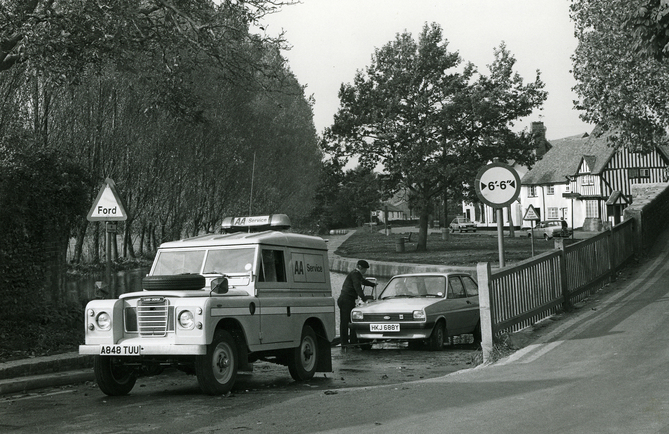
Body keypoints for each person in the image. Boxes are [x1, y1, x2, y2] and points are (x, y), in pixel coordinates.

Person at [338, 259, 376, 349]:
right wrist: (364, 299)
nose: (365, 271)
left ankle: (352, 341)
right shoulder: (355, 274)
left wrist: (373, 284)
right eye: (365, 269)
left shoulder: (356, 274)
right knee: (345, 322)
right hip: (346, 300)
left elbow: (363, 281)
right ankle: (344, 342)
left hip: (348, 300)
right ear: (360, 267)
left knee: (351, 321)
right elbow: (357, 287)